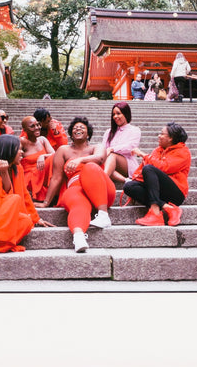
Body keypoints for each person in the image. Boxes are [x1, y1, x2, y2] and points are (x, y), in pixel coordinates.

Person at [43, 116, 115, 253]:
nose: (78, 129)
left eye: (82, 127)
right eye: (75, 128)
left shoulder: (96, 147)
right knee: (74, 198)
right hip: (76, 188)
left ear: (88, 134)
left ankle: (103, 215)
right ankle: (79, 236)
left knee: (89, 167)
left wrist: (80, 160)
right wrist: (46, 202)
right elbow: (56, 178)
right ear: (71, 133)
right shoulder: (63, 150)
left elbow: (100, 158)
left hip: (102, 191)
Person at [123, 122, 191, 226]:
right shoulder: (158, 150)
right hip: (158, 192)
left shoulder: (183, 152)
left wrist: (143, 155)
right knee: (129, 186)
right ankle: (168, 208)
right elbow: (143, 172)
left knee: (149, 168)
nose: (159, 136)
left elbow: (164, 167)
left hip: (175, 193)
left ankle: (155, 213)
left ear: (171, 138)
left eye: (162, 134)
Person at [95, 101, 142, 186]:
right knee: (102, 160)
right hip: (110, 164)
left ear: (126, 114)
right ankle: (126, 180)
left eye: (118, 113)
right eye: (113, 114)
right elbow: (104, 148)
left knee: (112, 156)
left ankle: (101, 181)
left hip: (127, 164)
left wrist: (112, 149)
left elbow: (131, 147)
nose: (115, 116)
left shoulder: (134, 130)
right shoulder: (109, 132)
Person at [19, 114, 54, 203]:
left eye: (38, 125)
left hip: (43, 174)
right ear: (25, 130)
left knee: (53, 158)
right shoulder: (22, 141)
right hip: (30, 177)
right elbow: (15, 160)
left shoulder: (42, 139)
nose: (37, 128)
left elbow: (55, 154)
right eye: (32, 126)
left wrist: (43, 156)